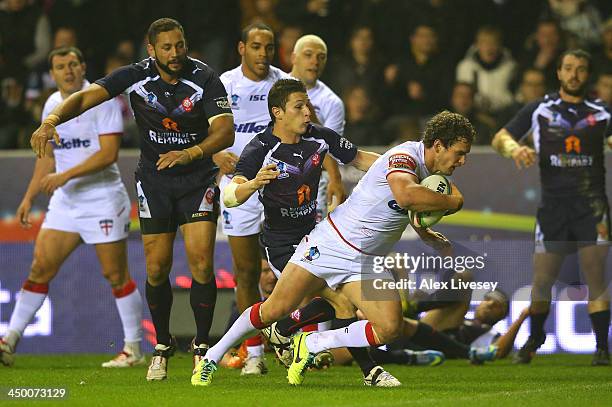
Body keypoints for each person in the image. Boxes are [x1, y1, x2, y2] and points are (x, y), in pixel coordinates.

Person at [192, 110, 497, 387]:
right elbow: (405, 196)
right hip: (331, 245)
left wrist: (424, 231)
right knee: (275, 310)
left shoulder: (432, 177)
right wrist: (455, 202)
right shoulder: (405, 156)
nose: (463, 161)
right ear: (439, 145)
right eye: (460, 153)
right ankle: (211, 358)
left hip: (366, 261)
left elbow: (409, 207)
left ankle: (312, 344)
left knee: (389, 328)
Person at [29, 18, 235, 382]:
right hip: (154, 181)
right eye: (167, 47)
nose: (175, 54)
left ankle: (202, 347)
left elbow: (225, 131)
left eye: (180, 45)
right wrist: (53, 120)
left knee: (201, 262)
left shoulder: (205, 78)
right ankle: (163, 347)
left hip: (196, 178)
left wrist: (192, 154)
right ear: (151, 49)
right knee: (157, 267)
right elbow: (87, 97)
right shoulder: (136, 75)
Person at [224, 78, 400, 386]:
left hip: (318, 237)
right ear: (278, 112)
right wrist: (252, 184)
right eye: (300, 106)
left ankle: (292, 334)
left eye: (308, 105)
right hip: (282, 245)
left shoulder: (320, 137)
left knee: (343, 301)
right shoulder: (261, 147)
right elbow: (230, 194)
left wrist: (400, 166)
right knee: (336, 301)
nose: (308, 112)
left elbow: (359, 159)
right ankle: (222, 350)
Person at [0, 46, 144, 368]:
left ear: (83, 67)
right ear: (52, 73)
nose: (68, 71)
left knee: (116, 275)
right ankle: (9, 340)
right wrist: (28, 197)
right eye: (61, 66)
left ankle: (133, 349)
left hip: (103, 198)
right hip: (66, 203)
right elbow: (47, 157)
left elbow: (108, 154)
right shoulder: (52, 105)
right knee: (40, 268)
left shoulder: (102, 99)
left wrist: (64, 176)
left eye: (73, 64)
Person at [491, 49, 612, 365]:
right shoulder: (540, 109)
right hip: (554, 207)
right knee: (542, 279)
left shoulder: (602, 113)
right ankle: (537, 334)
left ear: (588, 76)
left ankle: (601, 347)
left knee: (595, 275)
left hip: (592, 205)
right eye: (568, 68)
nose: (574, 75)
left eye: (581, 69)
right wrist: (516, 149)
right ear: (558, 72)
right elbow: (500, 137)